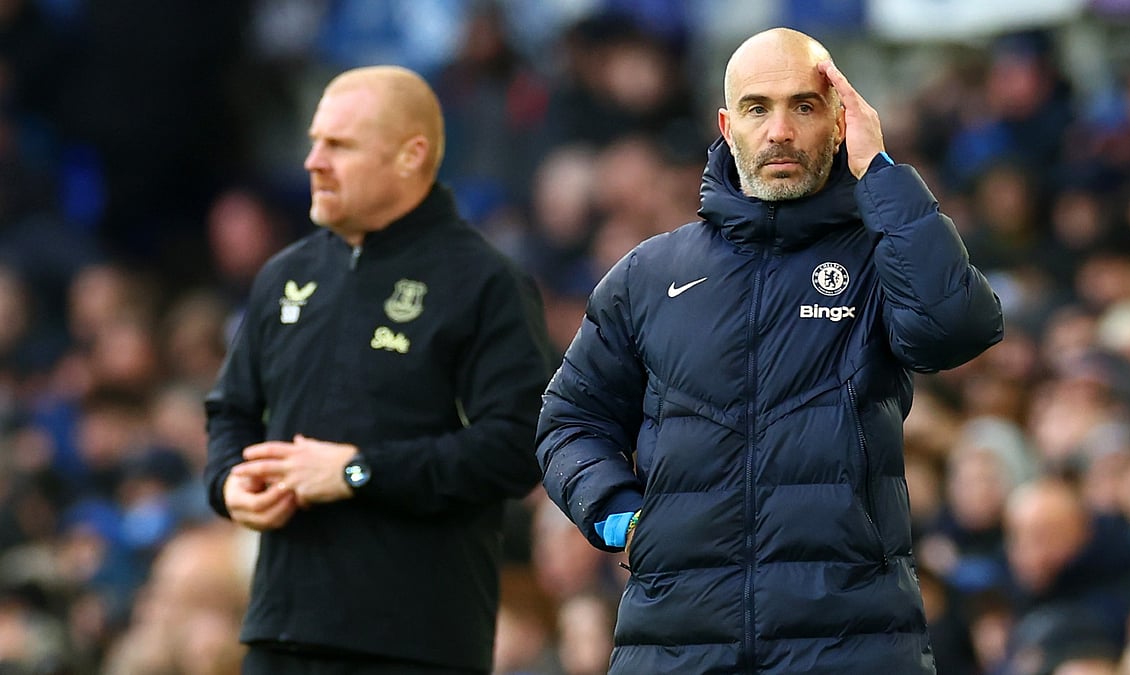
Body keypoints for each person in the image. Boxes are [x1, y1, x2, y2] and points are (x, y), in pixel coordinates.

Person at [536, 28, 1004, 673]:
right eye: (758, 108)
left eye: (803, 107)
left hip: (852, 641)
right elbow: (569, 421)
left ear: (841, 124)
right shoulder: (648, 275)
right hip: (675, 642)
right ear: (727, 126)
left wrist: (883, 176)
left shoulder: (881, 254)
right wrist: (621, 516)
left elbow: (956, 328)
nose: (779, 129)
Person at [204, 65, 555, 673]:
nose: (313, 161)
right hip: (281, 632)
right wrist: (229, 481)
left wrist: (361, 471)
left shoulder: (485, 283)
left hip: (414, 641)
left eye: (339, 145)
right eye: (314, 141)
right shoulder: (285, 274)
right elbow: (230, 410)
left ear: (409, 156)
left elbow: (521, 446)